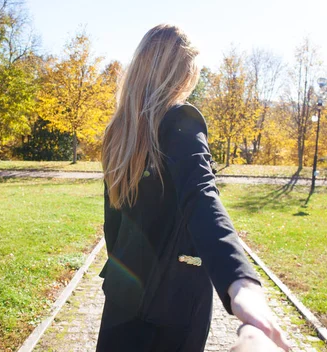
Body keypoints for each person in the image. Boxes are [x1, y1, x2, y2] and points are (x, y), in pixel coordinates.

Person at [97, 24, 290, 352]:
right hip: (173, 306)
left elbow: (113, 226)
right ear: (183, 72)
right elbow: (202, 197)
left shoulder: (119, 130)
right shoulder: (181, 121)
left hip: (122, 297)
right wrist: (241, 282)